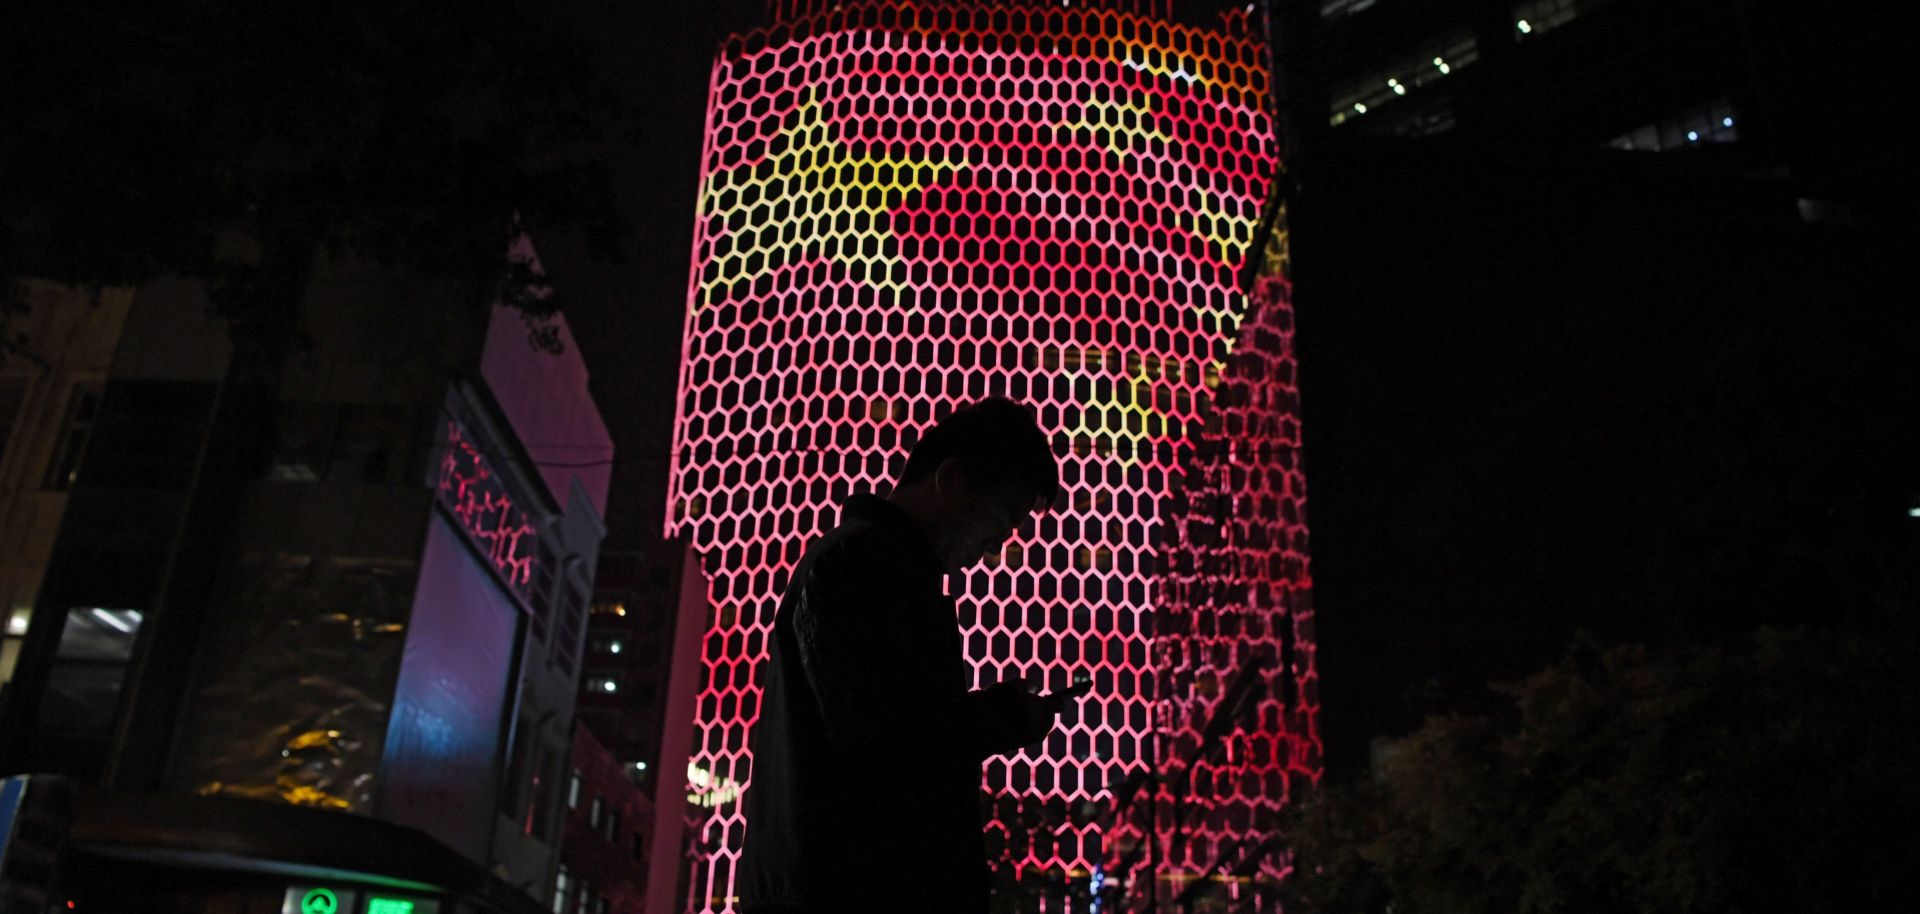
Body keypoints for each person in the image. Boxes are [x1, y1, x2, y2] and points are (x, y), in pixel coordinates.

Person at [738, 397, 1087, 914]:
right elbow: (882, 741)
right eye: (1003, 516)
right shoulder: (860, 563)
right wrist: (1004, 716)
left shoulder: (881, 569)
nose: (995, 547)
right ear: (950, 480)